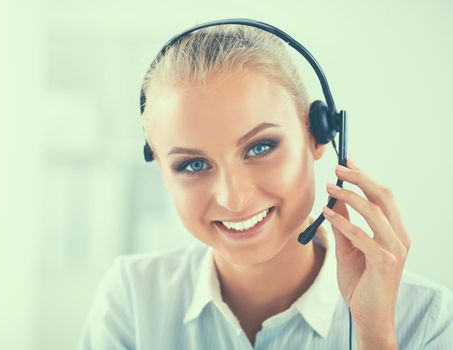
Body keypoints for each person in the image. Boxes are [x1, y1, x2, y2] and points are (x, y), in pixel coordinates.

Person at [79, 24, 453, 349]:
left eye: (259, 148)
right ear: (162, 170)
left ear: (318, 135)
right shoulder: (132, 299)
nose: (233, 197)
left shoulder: (426, 320)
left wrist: (375, 335)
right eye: (193, 164)